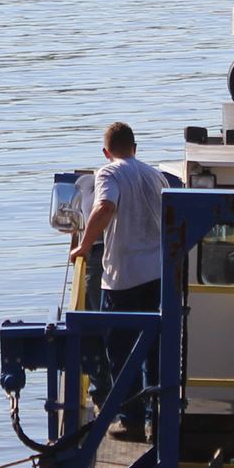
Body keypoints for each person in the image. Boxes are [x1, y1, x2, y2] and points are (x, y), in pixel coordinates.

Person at [68, 122, 168, 439]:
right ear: (135, 147)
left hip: (124, 275)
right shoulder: (156, 175)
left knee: (122, 351)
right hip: (157, 274)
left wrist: (84, 245)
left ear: (106, 151)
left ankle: (132, 421)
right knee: (154, 349)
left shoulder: (109, 173)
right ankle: (158, 422)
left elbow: (105, 206)